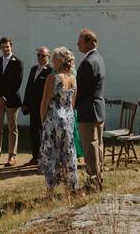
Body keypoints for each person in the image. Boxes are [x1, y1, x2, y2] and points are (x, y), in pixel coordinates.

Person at [38, 47, 79, 197]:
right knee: (68, 153)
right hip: (68, 119)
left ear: (60, 61)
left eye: (54, 58)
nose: (52, 61)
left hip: (53, 119)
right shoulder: (73, 79)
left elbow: (44, 103)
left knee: (51, 154)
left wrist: (44, 122)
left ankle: (51, 190)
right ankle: (71, 187)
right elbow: (73, 103)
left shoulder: (52, 78)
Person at [75, 28, 105, 191]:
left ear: (89, 42)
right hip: (98, 108)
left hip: (88, 110)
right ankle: (99, 177)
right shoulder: (98, 58)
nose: (77, 44)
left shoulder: (88, 62)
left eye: (80, 41)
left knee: (90, 147)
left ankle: (93, 182)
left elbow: (79, 88)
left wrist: (72, 104)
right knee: (98, 145)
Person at [0, 37, 23, 166]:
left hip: (12, 101)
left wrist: (5, 98)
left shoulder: (18, 62)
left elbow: (17, 83)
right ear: (0, 48)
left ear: (11, 47)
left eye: (7, 47)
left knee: (12, 129)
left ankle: (11, 157)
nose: (5, 49)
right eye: (3, 47)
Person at [22, 46, 53, 166]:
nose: (40, 57)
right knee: (34, 133)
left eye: (43, 55)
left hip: (44, 108)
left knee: (44, 133)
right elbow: (29, 87)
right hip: (33, 108)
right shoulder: (33, 69)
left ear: (48, 57)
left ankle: (45, 158)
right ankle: (35, 157)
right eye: (38, 55)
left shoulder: (50, 71)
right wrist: (25, 103)